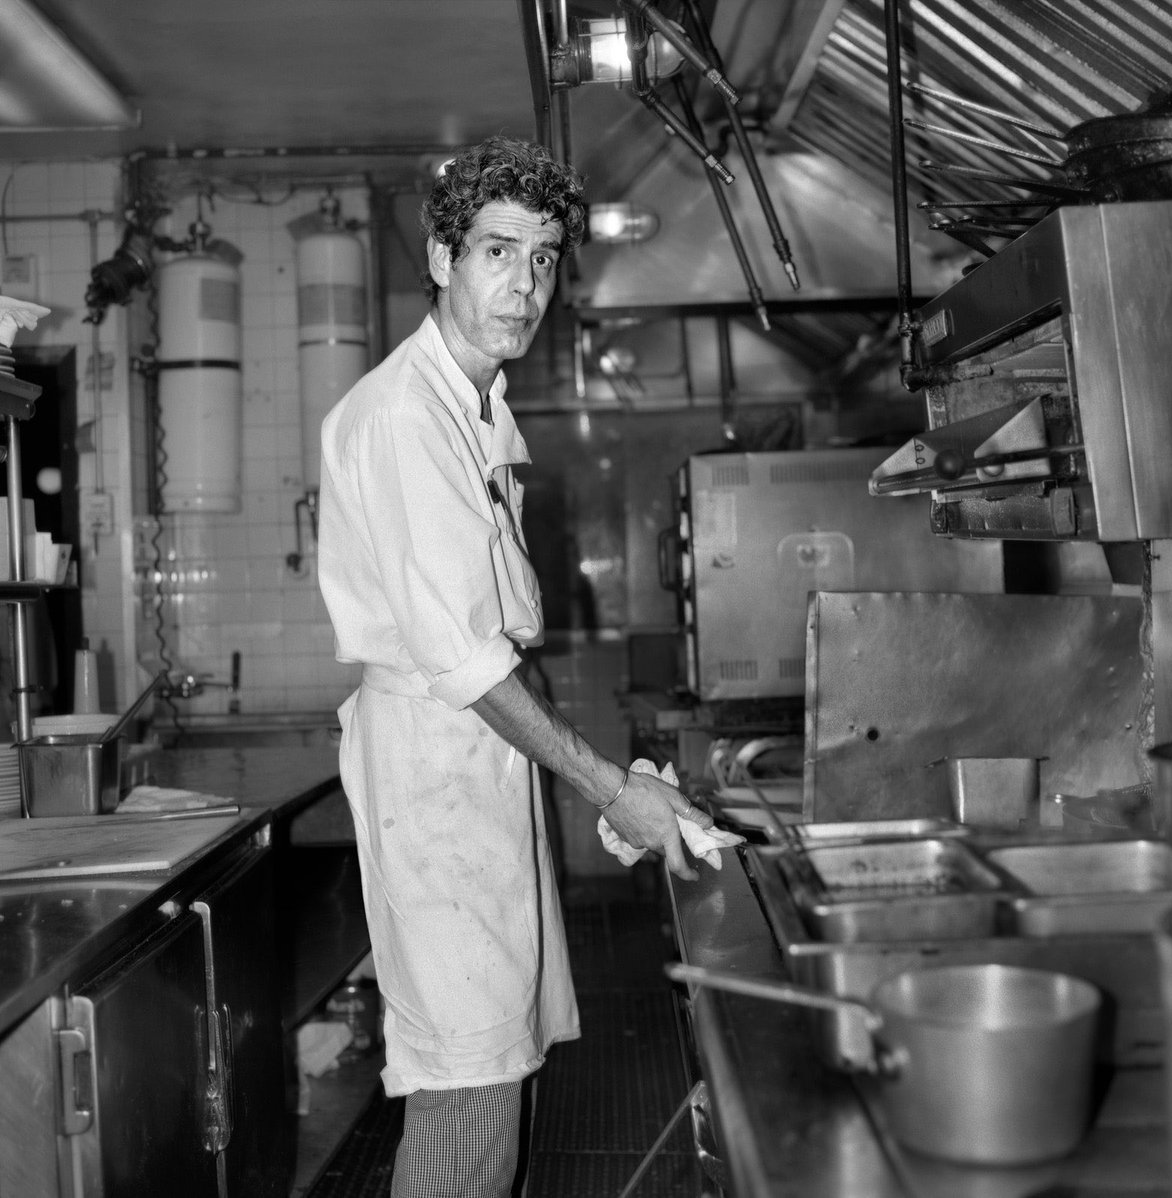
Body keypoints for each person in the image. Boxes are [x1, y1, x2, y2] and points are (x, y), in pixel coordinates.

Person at [317, 135, 714, 1198]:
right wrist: (611, 785)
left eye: (542, 258)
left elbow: (491, 640)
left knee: (502, 1073)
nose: (525, 283)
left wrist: (601, 781)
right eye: (498, 251)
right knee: (468, 1094)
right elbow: (466, 662)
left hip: (471, 774)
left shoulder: (477, 402)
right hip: (438, 776)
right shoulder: (407, 417)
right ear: (443, 258)